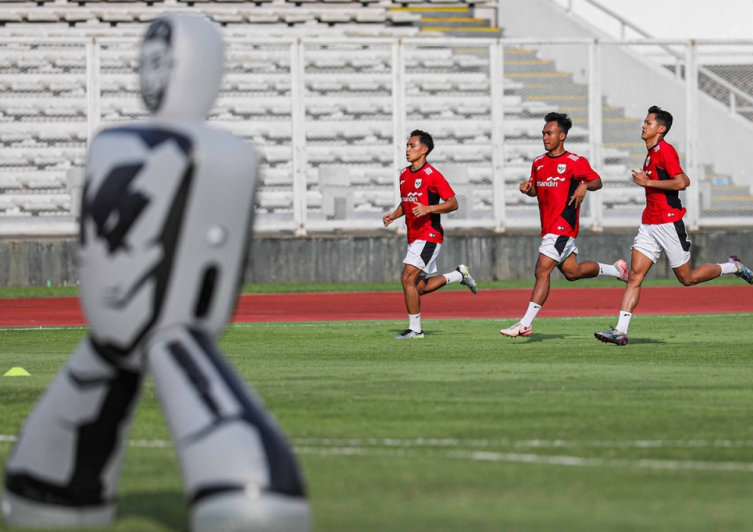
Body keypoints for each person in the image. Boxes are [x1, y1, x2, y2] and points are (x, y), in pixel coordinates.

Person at [2, 16, 312, 532]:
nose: (152, 75)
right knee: (174, 402)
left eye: (162, 63)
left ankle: (59, 492)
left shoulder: (150, 147)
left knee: (124, 391)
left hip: (155, 316)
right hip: (133, 314)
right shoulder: (149, 146)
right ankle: (56, 494)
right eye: (147, 63)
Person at [594, 106, 753, 346]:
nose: (643, 125)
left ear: (661, 129)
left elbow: (682, 182)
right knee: (635, 276)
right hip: (649, 223)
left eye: (648, 122)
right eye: (644, 121)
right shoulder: (650, 153)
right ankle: (620, 331)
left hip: (668, 222)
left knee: (687, 279)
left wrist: (647, 182)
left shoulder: (665, 150)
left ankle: (733, 267)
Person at [501, 112, 628, 338]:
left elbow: (597, 181)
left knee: (541, 270)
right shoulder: (538, 163)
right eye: (543, 133)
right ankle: (616, 270)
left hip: (562, 227)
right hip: (548, 227)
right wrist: (528, 189)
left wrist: (584, 185)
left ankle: (525, 324)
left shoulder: (575, 162)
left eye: (549, 133)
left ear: (562, 136)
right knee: (572, 272)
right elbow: (536, 190)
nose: (545, 137)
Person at [383, 130, 477, 339]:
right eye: (407, 146)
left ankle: (415, 330)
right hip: (414, 236)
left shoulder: (432, 175)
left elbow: (453, 203)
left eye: (412, 146)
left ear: (424, 150)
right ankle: (459, 275)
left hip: (429, 236)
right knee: (419, 287)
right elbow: (407, 201)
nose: (408, 149)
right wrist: (394, 216)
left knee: (407, 278)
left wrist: (428, 209)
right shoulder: (404, 174)